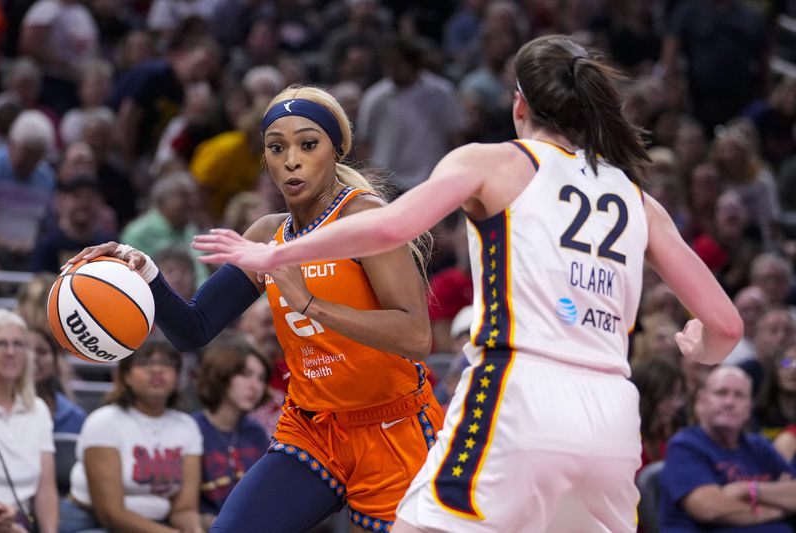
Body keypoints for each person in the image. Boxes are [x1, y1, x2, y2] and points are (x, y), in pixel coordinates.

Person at [192, 35, 744, 532]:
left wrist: (275, 253)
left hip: (521, 390)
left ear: (520, 104)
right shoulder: (637, 198)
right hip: (613, 416)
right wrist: (701, 346)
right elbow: (725, 326)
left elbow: (390, 224)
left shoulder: (495, 161)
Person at [65, 84, 443, 533]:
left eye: (308, 144)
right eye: (276, 148)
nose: (292, 160)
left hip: (391, 428)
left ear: (336, 150)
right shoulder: (268, 234)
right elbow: (193, 329)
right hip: (312, 431)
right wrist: (143, 271)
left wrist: (309, 303)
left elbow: (417, 337)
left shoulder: (364, 217)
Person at [59, 339, 203, 533]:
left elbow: (184, 509)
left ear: (177, 376)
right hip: (92, 522)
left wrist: (194, 528)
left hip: (157, 524)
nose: (157, 370)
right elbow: (110, 514)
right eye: (144, 363)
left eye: (167, 364)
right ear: (125, 376)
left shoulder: (188, 427)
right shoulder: (104, 421)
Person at [658, 366, 796, 531]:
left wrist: (748, 489)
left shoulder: (759, 446)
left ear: (749, 407)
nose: (730, 402)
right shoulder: (684, 446)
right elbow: (710, 508)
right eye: (721, 393)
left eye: (739, 395)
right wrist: (780, 509)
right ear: (701, 402)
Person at [192, 335, 271, 530]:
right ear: (221, 374)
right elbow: (184, 508)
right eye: (246, 374)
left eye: (261, 378)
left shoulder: (256, 432)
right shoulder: (191, 428)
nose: (255, 386)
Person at [0, 309, 58, 533]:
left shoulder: (38, 409)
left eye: (18, 344)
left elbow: (46, 488)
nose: (10, 352)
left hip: (20, 523)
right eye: (1, 344)